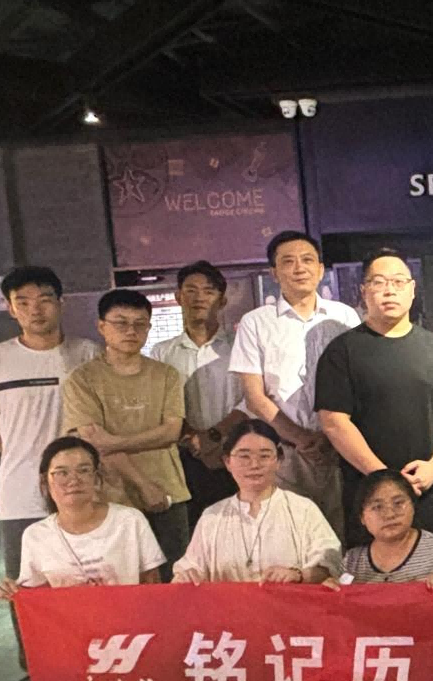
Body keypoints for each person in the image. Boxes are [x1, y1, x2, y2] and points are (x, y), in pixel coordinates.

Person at [0, 266, 100, 681]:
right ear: (10, 309)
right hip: (20, 495)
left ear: (60, 303)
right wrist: (28, 460)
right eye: (22, 301)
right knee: (27, 592)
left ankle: (96, 671)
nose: (34, 309)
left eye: (44, 298)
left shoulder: (87, 353)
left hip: (86, 491)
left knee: (92, 580)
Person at [315, 248, 433, 545]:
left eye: (398, 282)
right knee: (372, 569)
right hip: (369, 490)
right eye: (379, 282)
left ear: (412, 290)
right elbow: (333, 422)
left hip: (426, 487)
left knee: (431, 566)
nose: (389, 290)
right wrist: (384, 478)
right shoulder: (341, 352)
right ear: (363, 291)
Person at [230, 230, 360, 537]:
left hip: (341, 447)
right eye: (288, 262)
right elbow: (255, 397)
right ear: (274, 272)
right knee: (288, 534)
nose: (299, 268)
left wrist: (334, 436)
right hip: (286, 451)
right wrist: (301, 438)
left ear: (321, 269)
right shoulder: (256, 322)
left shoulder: (345, 316)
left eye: (307, 260)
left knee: (342, 534)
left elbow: (359, 382)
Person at [62, 290, 190, 581]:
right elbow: (93, 442)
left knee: (174, 580)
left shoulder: (166, 375)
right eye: (120, 323)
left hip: (168, 492)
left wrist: (113, 442)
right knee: (120, 582)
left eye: (139, 324)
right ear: (101, 326)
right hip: (111, 496)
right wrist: (143, 484)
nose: (131, 331)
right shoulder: (82, 379)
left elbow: (171, 431)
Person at [171, 420, 340, 585]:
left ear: (279, 461)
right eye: (244, 456)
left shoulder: (303, 510)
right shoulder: (212, 517)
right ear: (227, 462)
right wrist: (187, 576)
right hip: (230, 605)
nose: (254, 465)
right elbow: (190, 568)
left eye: (264, 456)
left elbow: (328, 564)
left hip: (286, 603)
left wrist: (298, 575)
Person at [0, 437, 164, 598]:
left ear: (96, 479)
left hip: (126, 618)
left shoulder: (129, 521)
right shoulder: (35, 536)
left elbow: (153, 585)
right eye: (61, 473)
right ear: (44, 482)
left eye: (83, 471)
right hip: (70, 621)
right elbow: (38, 595)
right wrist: (14, 591)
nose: (74, 480)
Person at [150, 261, 248, 531]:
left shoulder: (241, 347)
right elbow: (159, 403)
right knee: (194, 534)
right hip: (185, 458)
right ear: (178, 297)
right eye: (191, 290)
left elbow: (251, 400)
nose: (199, 298)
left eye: (208, 291)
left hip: (237, 453)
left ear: (222, 300)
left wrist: (214, 436)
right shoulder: (162, 352)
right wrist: (194, 439)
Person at [324, 469, 433, 588]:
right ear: (362, 517)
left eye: (398, 503)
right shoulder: (352, 561)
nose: (389, 514)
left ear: (413, 506)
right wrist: (329, 591)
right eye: (377, 507)